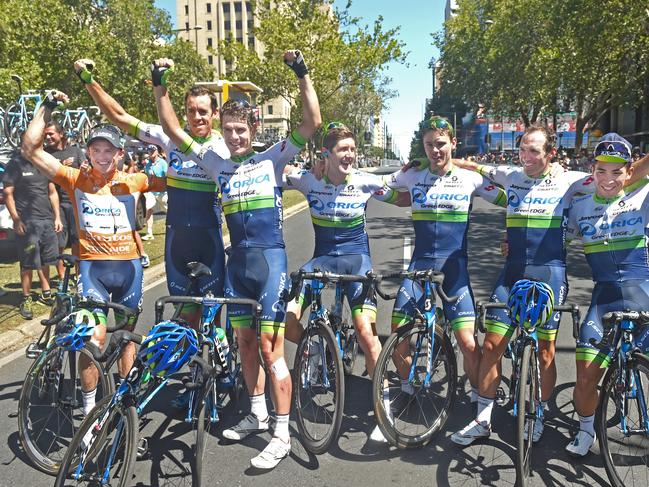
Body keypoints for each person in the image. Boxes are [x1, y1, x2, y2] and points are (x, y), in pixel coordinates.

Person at [151, 50, 320, 469]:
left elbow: (311, 123)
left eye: (241, 130)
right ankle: (257, 411)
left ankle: (281, 433)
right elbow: (173, 128)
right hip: (237, 266)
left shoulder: (273, 158)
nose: (235, 137)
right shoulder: (216, 164)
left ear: (253, 128)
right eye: (228, 130)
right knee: (245, 343)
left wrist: (302, 74)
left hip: (269, 263)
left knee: (270, 348)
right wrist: (159, 85)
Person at [450, 125, 649, 446]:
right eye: (523, 149)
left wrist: (623, 170)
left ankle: (539, 412)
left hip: (550, 276)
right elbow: (475, 166)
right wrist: (448, 161)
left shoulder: (571, 181)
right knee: (491, 346)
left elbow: (623, 174)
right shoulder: (511, 175)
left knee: (545, 353)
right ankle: (482, 418)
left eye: (534, 151)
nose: (526, 157)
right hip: (512, 274)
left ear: (550, 154)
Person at [21, 90, 164, 415]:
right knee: (92, 339)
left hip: (129, 273)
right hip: (93, 274)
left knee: (127, 341)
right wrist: (47, 105)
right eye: (96, 149)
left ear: (119, 153)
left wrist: (161, 151)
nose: (102, 156)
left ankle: (127, 414)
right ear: (87, 151)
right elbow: (30, 148)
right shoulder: (75, 179)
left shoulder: (134, 181)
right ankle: (90, 415)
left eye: (108, 150)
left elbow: (171, 176)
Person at [73, 58, 227, 330]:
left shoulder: (225, 146)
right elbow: (119, 117)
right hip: (177, 240)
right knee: (185, 319)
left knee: (213, 321)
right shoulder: (170, 137)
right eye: (191, 111)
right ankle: (192, 373)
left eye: (203, 111)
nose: (197, 117)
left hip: (209, 241)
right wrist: (89, 82)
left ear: (214, 114)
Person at [282, 122, 410, 442]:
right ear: (326, 154)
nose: (350, 154)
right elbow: (272, 170)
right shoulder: (309, 180)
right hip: (322, 258)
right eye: (343, 149)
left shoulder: (365, 182)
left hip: (357, 260)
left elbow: (402, 199)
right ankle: (316, 351)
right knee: (287, 321)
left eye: (352, 149)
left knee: (367, 333)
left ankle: (383, 406)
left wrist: (425, 176)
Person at [385, 116, 507, 412]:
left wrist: (511, 234)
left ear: (453, 143)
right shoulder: (412, 175)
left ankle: (481, 400)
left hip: (455, 269)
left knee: (468, 342)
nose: (435, 150)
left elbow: (511, 199)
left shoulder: (470, 178)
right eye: (429, 145)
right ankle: (407, 386)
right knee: (398, 334)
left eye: (440, 143)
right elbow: (377, 189)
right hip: (419, 266)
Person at [565, 133, 649, 456]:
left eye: (617, 171)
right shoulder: (580, 208)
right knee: (585, 379)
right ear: (592, 171)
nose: (608, 179)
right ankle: (587, 431)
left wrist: (633, 175)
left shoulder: (641, 198)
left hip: (642, 297)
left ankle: (626, 377)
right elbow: (554, 243)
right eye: (602, 170)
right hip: (603, 302)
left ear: (629, 172)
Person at [4, 145, 62, 319]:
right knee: (28, 262)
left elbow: (52, 193)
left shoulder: (43, 164)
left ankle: (46, 293)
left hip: (46, 221)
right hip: (27, 224)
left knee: (46, 259)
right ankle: (26, 297)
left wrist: (57, 217)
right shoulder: (15, 165)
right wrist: (16, 219)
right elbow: (8, 194)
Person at [43, 121, 85, 280]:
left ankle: (78, 274)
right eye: (46, 134)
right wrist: (61, 165)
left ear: (61, 134)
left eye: (51, 134)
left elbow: (85, 171)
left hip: (76, 202)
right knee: (59, 243)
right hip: (57, 205)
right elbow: (46, 174)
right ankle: (62, 277)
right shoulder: (46, 154)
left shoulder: (75, 151)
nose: (48, 137)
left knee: (77, 241)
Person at [141, 144, 168, 241]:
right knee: (149, 209)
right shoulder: (147, 165)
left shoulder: (163, 163)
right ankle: (149, 233)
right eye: (149, 151)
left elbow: (166, 176)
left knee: (168, 211)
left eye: (153, 150)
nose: (151, 152)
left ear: (157, 152)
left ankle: (174, 228)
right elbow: (148, 177)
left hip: (162, 192)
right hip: (151, 191)